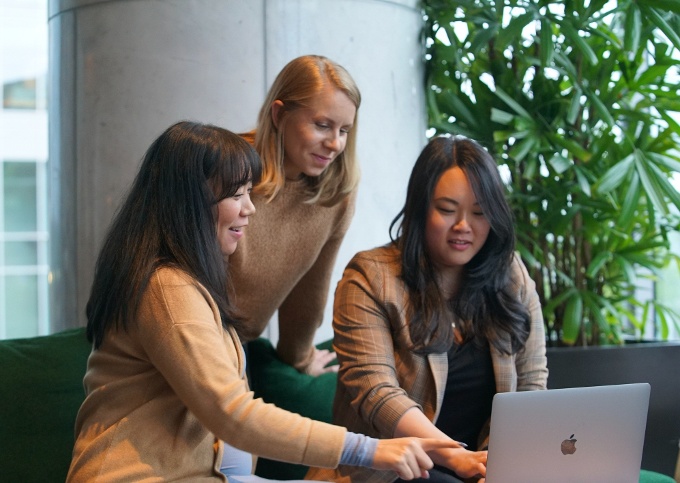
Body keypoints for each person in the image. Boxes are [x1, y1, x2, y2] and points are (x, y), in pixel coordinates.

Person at [66, 121, 463, 483]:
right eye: (236, 195)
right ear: (190, 203)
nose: (249, 208)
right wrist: (366, 449)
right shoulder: (167, 289)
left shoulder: (188, 284)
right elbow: (232, 414)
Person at [306, 136, 549, 483]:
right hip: (390, 473)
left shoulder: (511, 276)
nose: (464, 226)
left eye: (480, 213)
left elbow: (531, 383)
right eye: (448, 210)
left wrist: (495, 465)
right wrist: (456, 456)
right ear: (420, 209)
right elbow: (377, 394)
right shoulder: (370, 278)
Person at [231, 54, 361, 375]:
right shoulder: (226, 167)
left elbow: (310, 294)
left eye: (344, 130)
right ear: (279, 115)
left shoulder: (337, 195)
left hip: (234, 349)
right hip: (190, 338)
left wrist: (299, 358)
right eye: (322, 125)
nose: (334, 143)